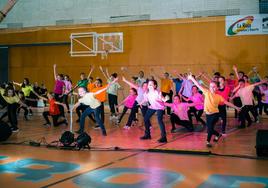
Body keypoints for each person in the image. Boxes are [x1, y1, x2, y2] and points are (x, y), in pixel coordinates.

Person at [188, 73, 240, 147]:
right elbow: (198, 85)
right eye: (211, 86)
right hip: (208, 114)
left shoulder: (218, 96)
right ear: (209, 87)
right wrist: (191, 78)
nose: (212, 88)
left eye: (214, 87)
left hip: (215, 114)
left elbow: (226, 102)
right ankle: (217, 135)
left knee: (209, 129)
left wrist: (236, 107)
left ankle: (208, 142)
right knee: (210, 129)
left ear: (216, 88)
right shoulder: (206, 92)